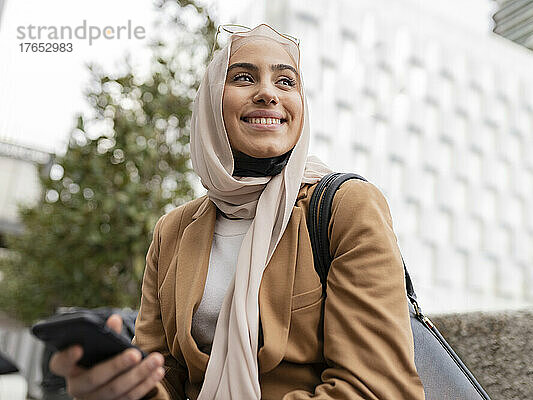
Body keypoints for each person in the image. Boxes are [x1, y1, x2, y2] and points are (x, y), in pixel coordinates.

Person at [50, 24, 425, 400]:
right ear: (211, 103)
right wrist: (122, 386)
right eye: (244, 77)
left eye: (286, 81)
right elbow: (164, 376)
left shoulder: (345, 207)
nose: (267, 93)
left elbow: (377, 388)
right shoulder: (173, 232)